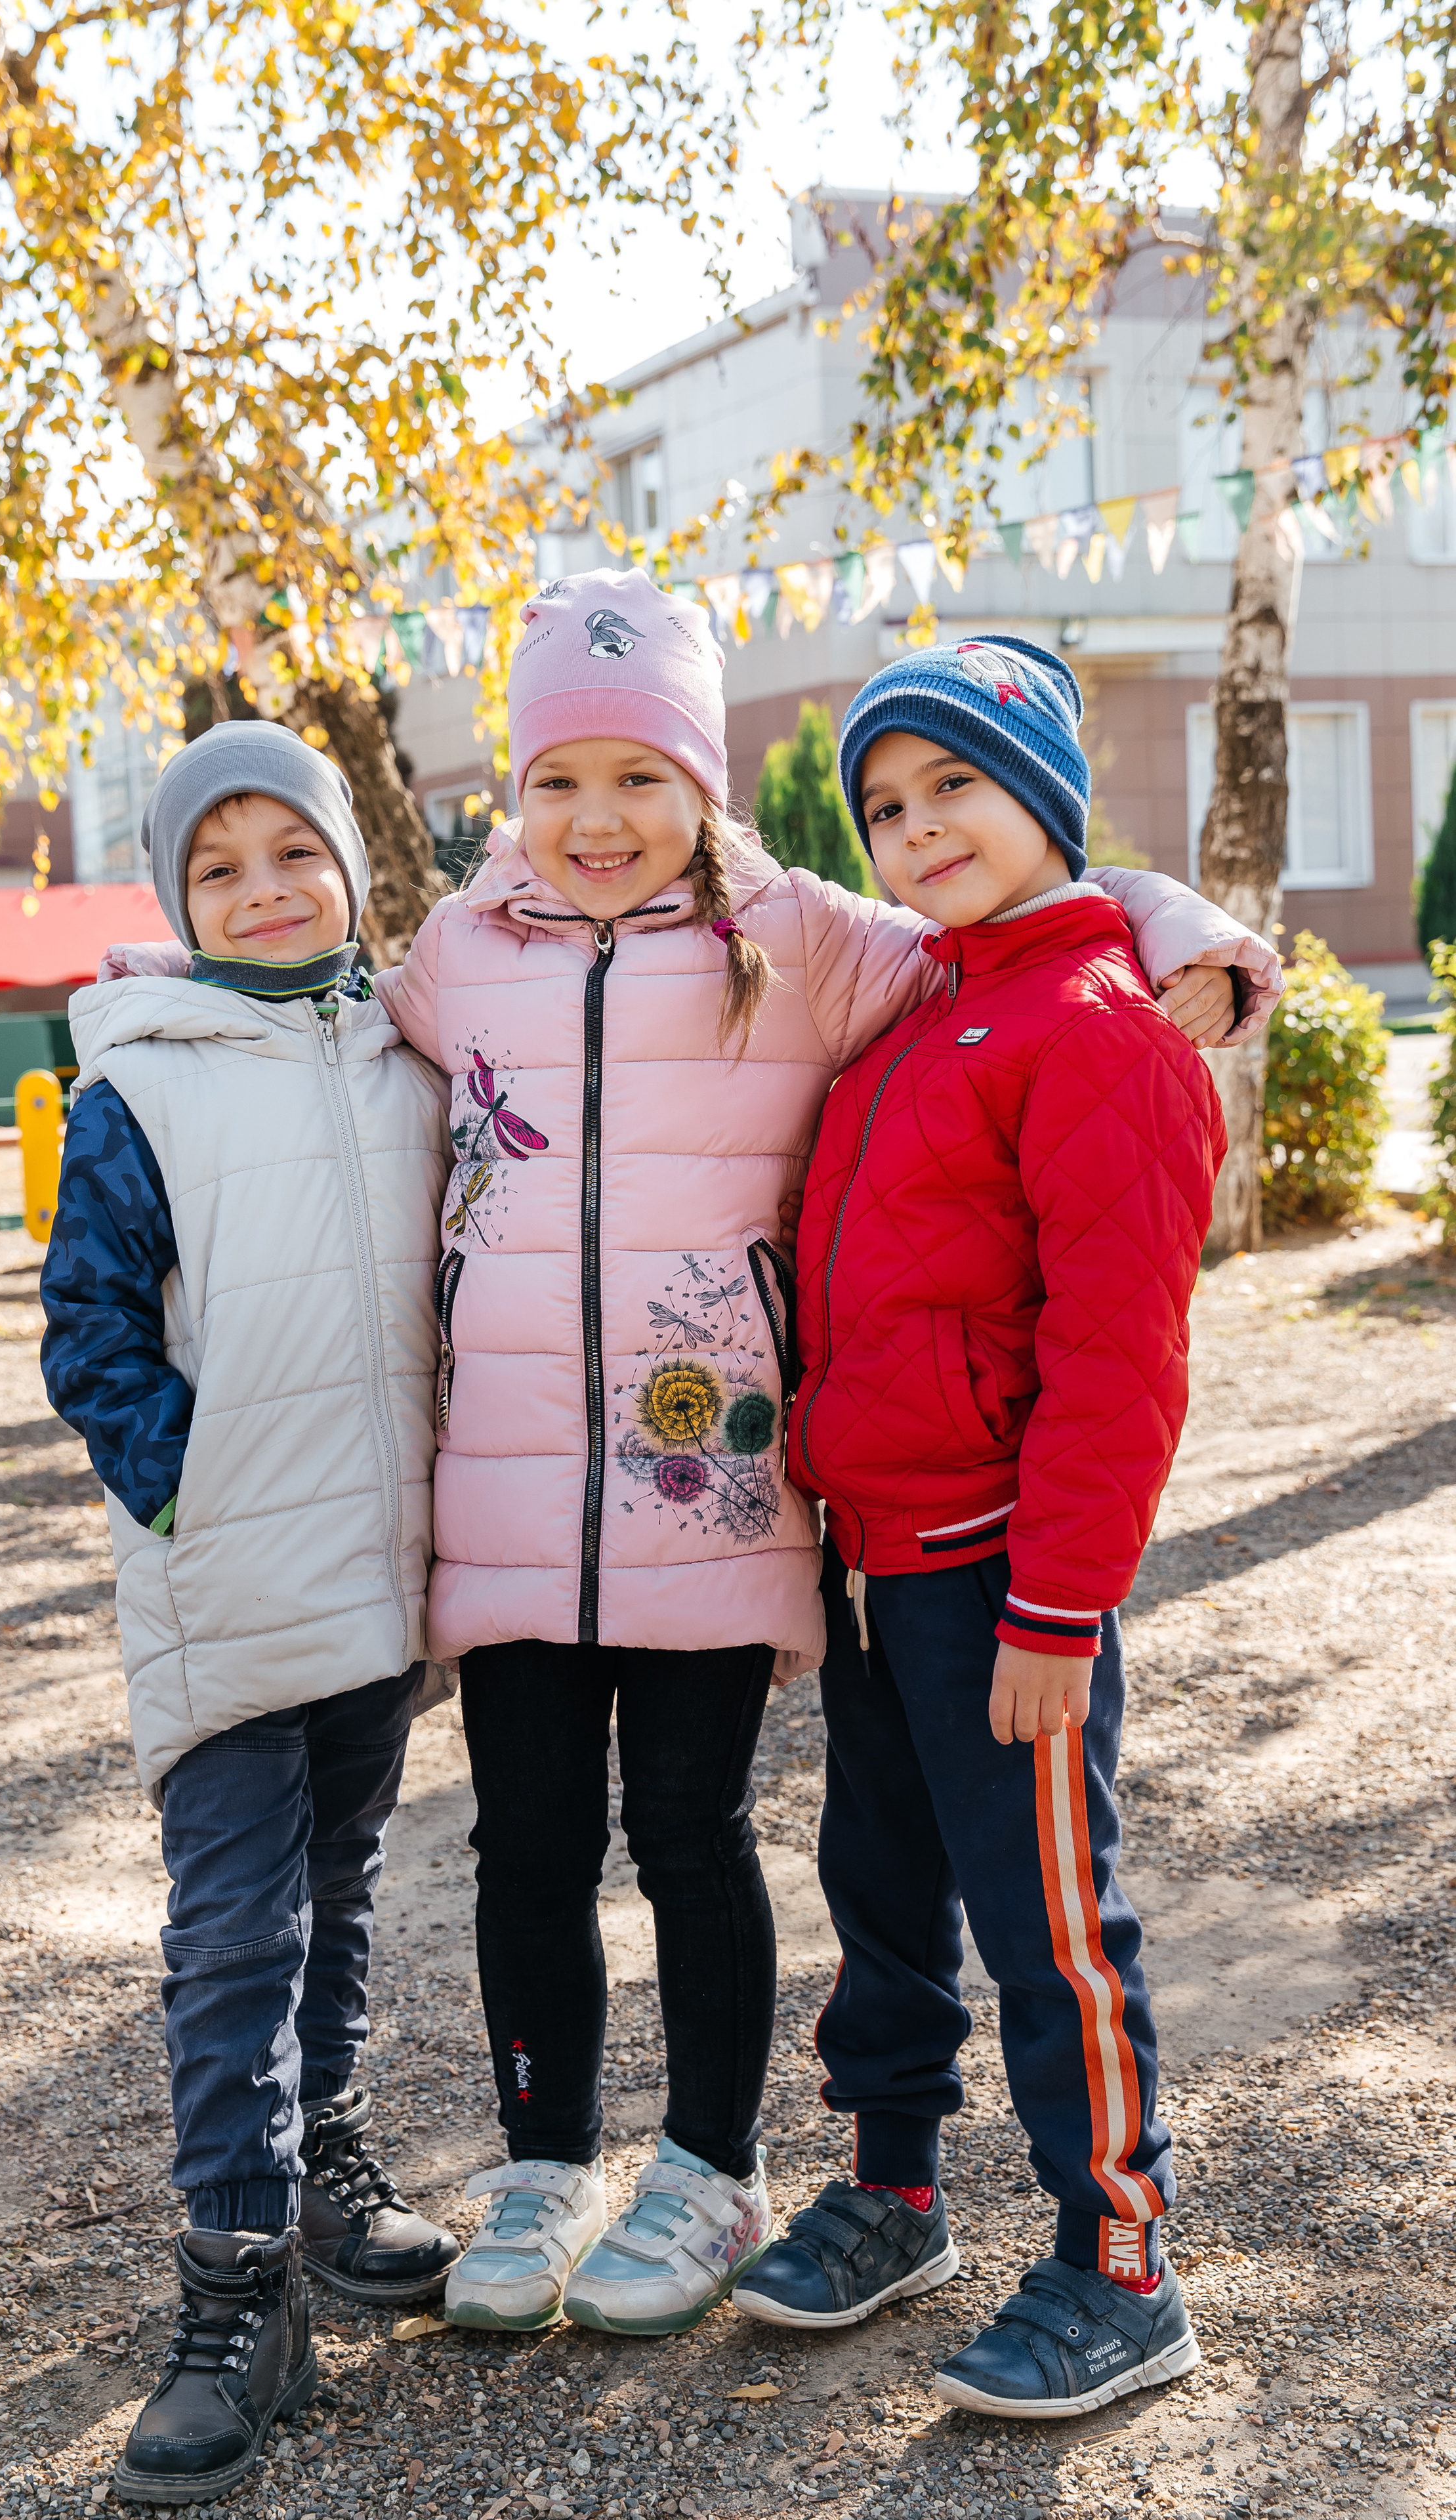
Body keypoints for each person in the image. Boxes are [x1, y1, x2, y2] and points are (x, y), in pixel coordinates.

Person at [355, 572, 1278, 2340]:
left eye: (644, 776)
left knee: (868, 1879)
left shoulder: (846, 952)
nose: (597, 818)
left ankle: (946, 2221)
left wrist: (1170, 924)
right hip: (666, 1523)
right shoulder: (475, 956)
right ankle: (727, 2178)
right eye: (556, 780)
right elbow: (339, 1042)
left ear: (708, 783)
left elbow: (1029, 960)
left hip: (854, 1536)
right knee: (700, 1873)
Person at [730, 637, 1222, 2418]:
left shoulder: (1099, 1034)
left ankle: (1119, 2261)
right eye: (885, 803)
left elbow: (1120, 1360)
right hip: (875, 1562)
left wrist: (1059, 1611)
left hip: (1005, 1576)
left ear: (1045, 797)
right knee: (880, 1902)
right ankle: (896, 2191)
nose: (918, 828)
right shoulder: (918, 1017)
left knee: (1050, 1929)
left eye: (955, 785)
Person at [41, 721, 459, 2505]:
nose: (264, 888)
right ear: (174, 899)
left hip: (382, 1573)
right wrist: (182, 1495)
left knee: (344, 1887)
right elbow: (91, 1330)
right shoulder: (136, 1081)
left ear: (353, 867)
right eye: (217, 867)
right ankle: (231, 2295)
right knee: (235, 1931)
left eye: (293, 851)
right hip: (228, 1580)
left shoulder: (417, 1043)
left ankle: (324, 2162)